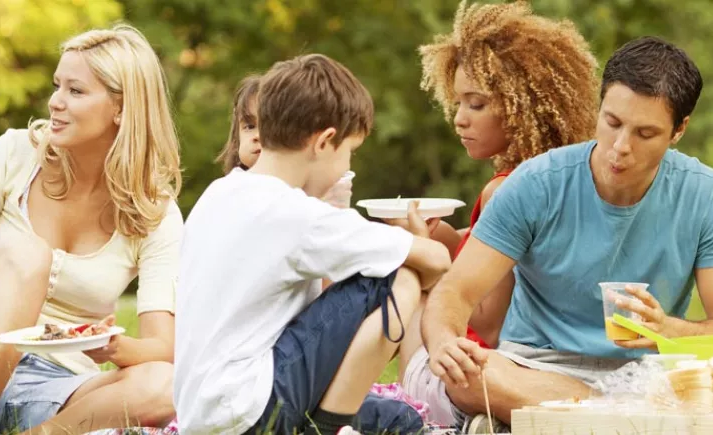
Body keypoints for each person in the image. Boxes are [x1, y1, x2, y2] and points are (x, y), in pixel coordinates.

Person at [419, 36, 713, 432]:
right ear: (600, 107)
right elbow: (455, 291)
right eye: (612, 123)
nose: (621, 147)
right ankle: (617, 419)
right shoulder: (537, 183)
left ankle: (555, 421)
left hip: (646, 376)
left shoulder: (705, 194)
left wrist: (669, 330)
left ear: (678, 131)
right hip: (533, 368)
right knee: (470, 375)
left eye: (645, 134)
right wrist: (444, 343)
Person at [0, 24, 183, 435]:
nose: (55, 102)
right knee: (28, 253)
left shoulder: (155, 212)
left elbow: (162, 348)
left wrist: (116, 347)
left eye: (76, 91)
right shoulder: (17, 151)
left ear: (122, 107)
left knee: (165, 386)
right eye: (57, 86)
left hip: (53, 389)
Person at [173, 53, 452, 435]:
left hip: (206, 414)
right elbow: (436, 259)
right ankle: (326, 428)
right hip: (250, 412)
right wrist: (413, 242)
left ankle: (329, 420)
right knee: (396, 276)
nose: (346, 165)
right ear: (325, 142)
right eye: (349, 152)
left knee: (399, 420)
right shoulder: (295, 215)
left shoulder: (220, 193)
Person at [398, 1, 600, 427]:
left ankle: (416, 413)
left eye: (476, 104)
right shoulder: (568, 181)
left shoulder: (504, 189)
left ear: (520, 105)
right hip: (549, 367)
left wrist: (425, 262)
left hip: (479, 362)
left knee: (401, 281)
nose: (459, 120)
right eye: (457, 103)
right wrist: (449, 240)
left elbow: (488, 323)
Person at [215, 74, 354, 209]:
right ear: (236, 137)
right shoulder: (233, 192)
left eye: (268, 126)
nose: (258, 135)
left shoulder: (313, 187)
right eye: (249, 126)